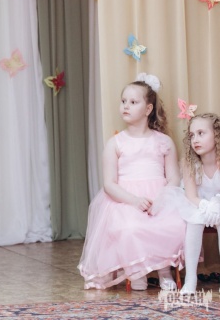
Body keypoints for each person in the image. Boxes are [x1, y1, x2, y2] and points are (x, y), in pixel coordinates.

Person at [77, 73, 185, 290]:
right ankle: (136, 271)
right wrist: (134, 201)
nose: (126, 106)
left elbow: (174, 177)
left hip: (160, 198)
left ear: (148, 109)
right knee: (130, 227)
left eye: (133, 102)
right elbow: (109, 184)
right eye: (123, 101)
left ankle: (164, 271)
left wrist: (163, 199)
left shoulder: (164, 141)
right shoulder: (116, 143)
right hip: (125, 201)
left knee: (175, 225)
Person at [176, 113, 220, 294]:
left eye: (201, 133)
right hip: (197, 204)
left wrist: (216, 206)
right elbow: (191, 196)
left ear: (216, 134)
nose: (195, 139)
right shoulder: (189, 163)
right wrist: (206, 206)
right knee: (194, 220)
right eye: (192, 135)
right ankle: (190, 279)